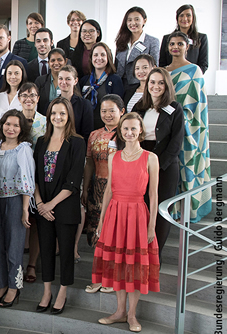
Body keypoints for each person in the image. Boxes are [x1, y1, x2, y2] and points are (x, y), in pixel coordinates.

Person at [92, 112, 160, 333]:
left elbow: (153, 195)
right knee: (118, 264)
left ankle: (132, 315)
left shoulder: (150, 158)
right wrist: (101, 221)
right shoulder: (114, 156)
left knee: (135, 266)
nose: (129, 133)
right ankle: (119, 312)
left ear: (140, 130)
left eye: (133, 129)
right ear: (120, 132)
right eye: (125, 129)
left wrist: (151, 226)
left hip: (138, 214)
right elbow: (109, 189)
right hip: (115, 213)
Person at [33, 97, 85, 315]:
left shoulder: (77, 142)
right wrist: (39, 203)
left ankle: (62, 292)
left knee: (64, 252)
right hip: (42, 205)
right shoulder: (41, 142)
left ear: (69, 116)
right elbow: (33, 175)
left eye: (62, 113)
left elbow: (73, 180)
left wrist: (51, 204)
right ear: (49, 115)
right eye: (54, 113)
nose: (58, 117)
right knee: (45, 251)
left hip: (64, 206)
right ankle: (46, 292)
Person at [133, 68, 183, 263]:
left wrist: (157, 167)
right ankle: (139, 254)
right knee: (142, 208)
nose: (156, 86)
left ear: (167, 85)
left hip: (166, 166)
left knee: (160, 211)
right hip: (140, 163)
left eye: (161, 83)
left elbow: (176, 143)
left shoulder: (174, 108)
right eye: (152, 82)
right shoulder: (139, 107)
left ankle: (155, 257)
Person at [0, 110, 35, 308]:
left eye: (16, 125)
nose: (11, 128)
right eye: (8, 124)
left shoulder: (23, 149)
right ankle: (2, 284)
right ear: (2, 125)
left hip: (15, 201)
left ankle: (14, 287)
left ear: (21, 129)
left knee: (14, 248)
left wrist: (25, 208)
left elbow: (27, 178)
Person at [165, 32, 211, 223]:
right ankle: (171, 208)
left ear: (187, 46)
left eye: (180, 44)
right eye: (172, 44)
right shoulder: (163, 71)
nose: (175, 47)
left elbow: (198, 103)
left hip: (188, 128)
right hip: (166, 127)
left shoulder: (194, 70)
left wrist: (185, 121)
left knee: (186, 165)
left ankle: (187, 209)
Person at [82, 95, 125, 295]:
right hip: (96, 189)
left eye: (112, 111)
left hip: (118, 190)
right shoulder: (94, 135)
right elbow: (89, 162)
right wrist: (86, 188)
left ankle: (112, 277)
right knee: (97, 235)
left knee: (114, 235)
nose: (107, 115)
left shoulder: (126, 134)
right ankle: (98, 277)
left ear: (122, 112)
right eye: (104, 111)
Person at [16, 82, 47, 284]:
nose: (28, 98)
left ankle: (32, 264)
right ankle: (16, 263)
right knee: (17, 222)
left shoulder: (46, 122)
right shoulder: (12, 119)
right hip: (16, 179)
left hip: (40, 179)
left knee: (35, 223)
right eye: (24, 95)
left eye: (32, 95)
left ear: (38, 98)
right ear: (19, 98)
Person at [80, 42, 125, 129]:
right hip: (86, 125)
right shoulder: (84, 80)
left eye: (102, 55)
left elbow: (118, 107)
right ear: (91, 58)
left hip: (106, 127)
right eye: (95, 55)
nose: (99, 58)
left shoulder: (115, 80)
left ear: (108, 57)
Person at [115, 7, 160, 87]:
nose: (133, 23)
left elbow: (154, 67)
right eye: (129, 20)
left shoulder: (152, 41)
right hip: (119, 84)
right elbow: (117, 65)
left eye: (136, 19)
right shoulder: (122, 41)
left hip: (140, 85)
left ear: (144, 21)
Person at [159, 4, 208, 73]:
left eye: (188, 15)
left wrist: (191, 76)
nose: (184, 18)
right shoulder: (167, 38)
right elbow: (162, 63)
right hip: (171, 78)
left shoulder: (201, 38)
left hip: (192, 78)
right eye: (181, 15)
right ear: (177, 18)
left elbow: (203, 64)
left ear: (193, 17)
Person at [57, 65, 94, 142]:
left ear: (76, 81)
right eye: (60, 78)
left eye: (68, 79)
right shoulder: (52, 105)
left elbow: (87, 134)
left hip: (76, 148)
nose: (63, 82)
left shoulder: (85, 105)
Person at [35, 48, 67, 116]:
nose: (56, 63)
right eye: (53, 60)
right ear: (48, 63)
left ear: (65, 61)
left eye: (59, 60)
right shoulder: (40, 81)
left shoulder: (70, 81)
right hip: (44, 120)